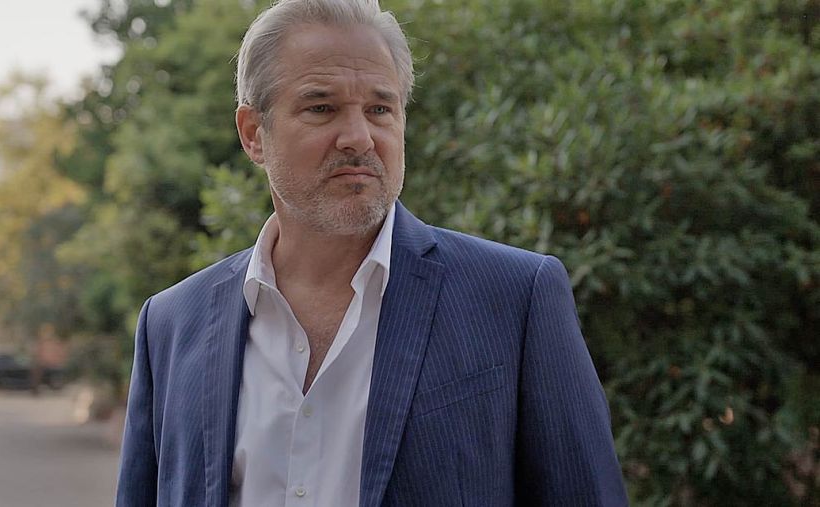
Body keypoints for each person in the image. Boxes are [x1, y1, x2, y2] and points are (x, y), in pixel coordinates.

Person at [116, 0, 628, 505]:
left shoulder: (514, 298)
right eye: (321, 108)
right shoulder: (171, 324)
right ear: (254, 134)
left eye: (380, 109)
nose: (359, 138)